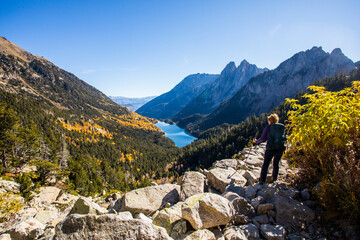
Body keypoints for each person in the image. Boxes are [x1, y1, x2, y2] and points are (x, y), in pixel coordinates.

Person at [253, 113, 285, 184]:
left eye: (268, 120)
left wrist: (256, 141)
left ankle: (262, 181)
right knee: (276, 164)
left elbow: (262, 138)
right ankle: (274, 180)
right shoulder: (280, 128)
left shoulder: (268, 128)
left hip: (270, 148)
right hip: (279, 148)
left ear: (270, 120)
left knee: (266, 164)